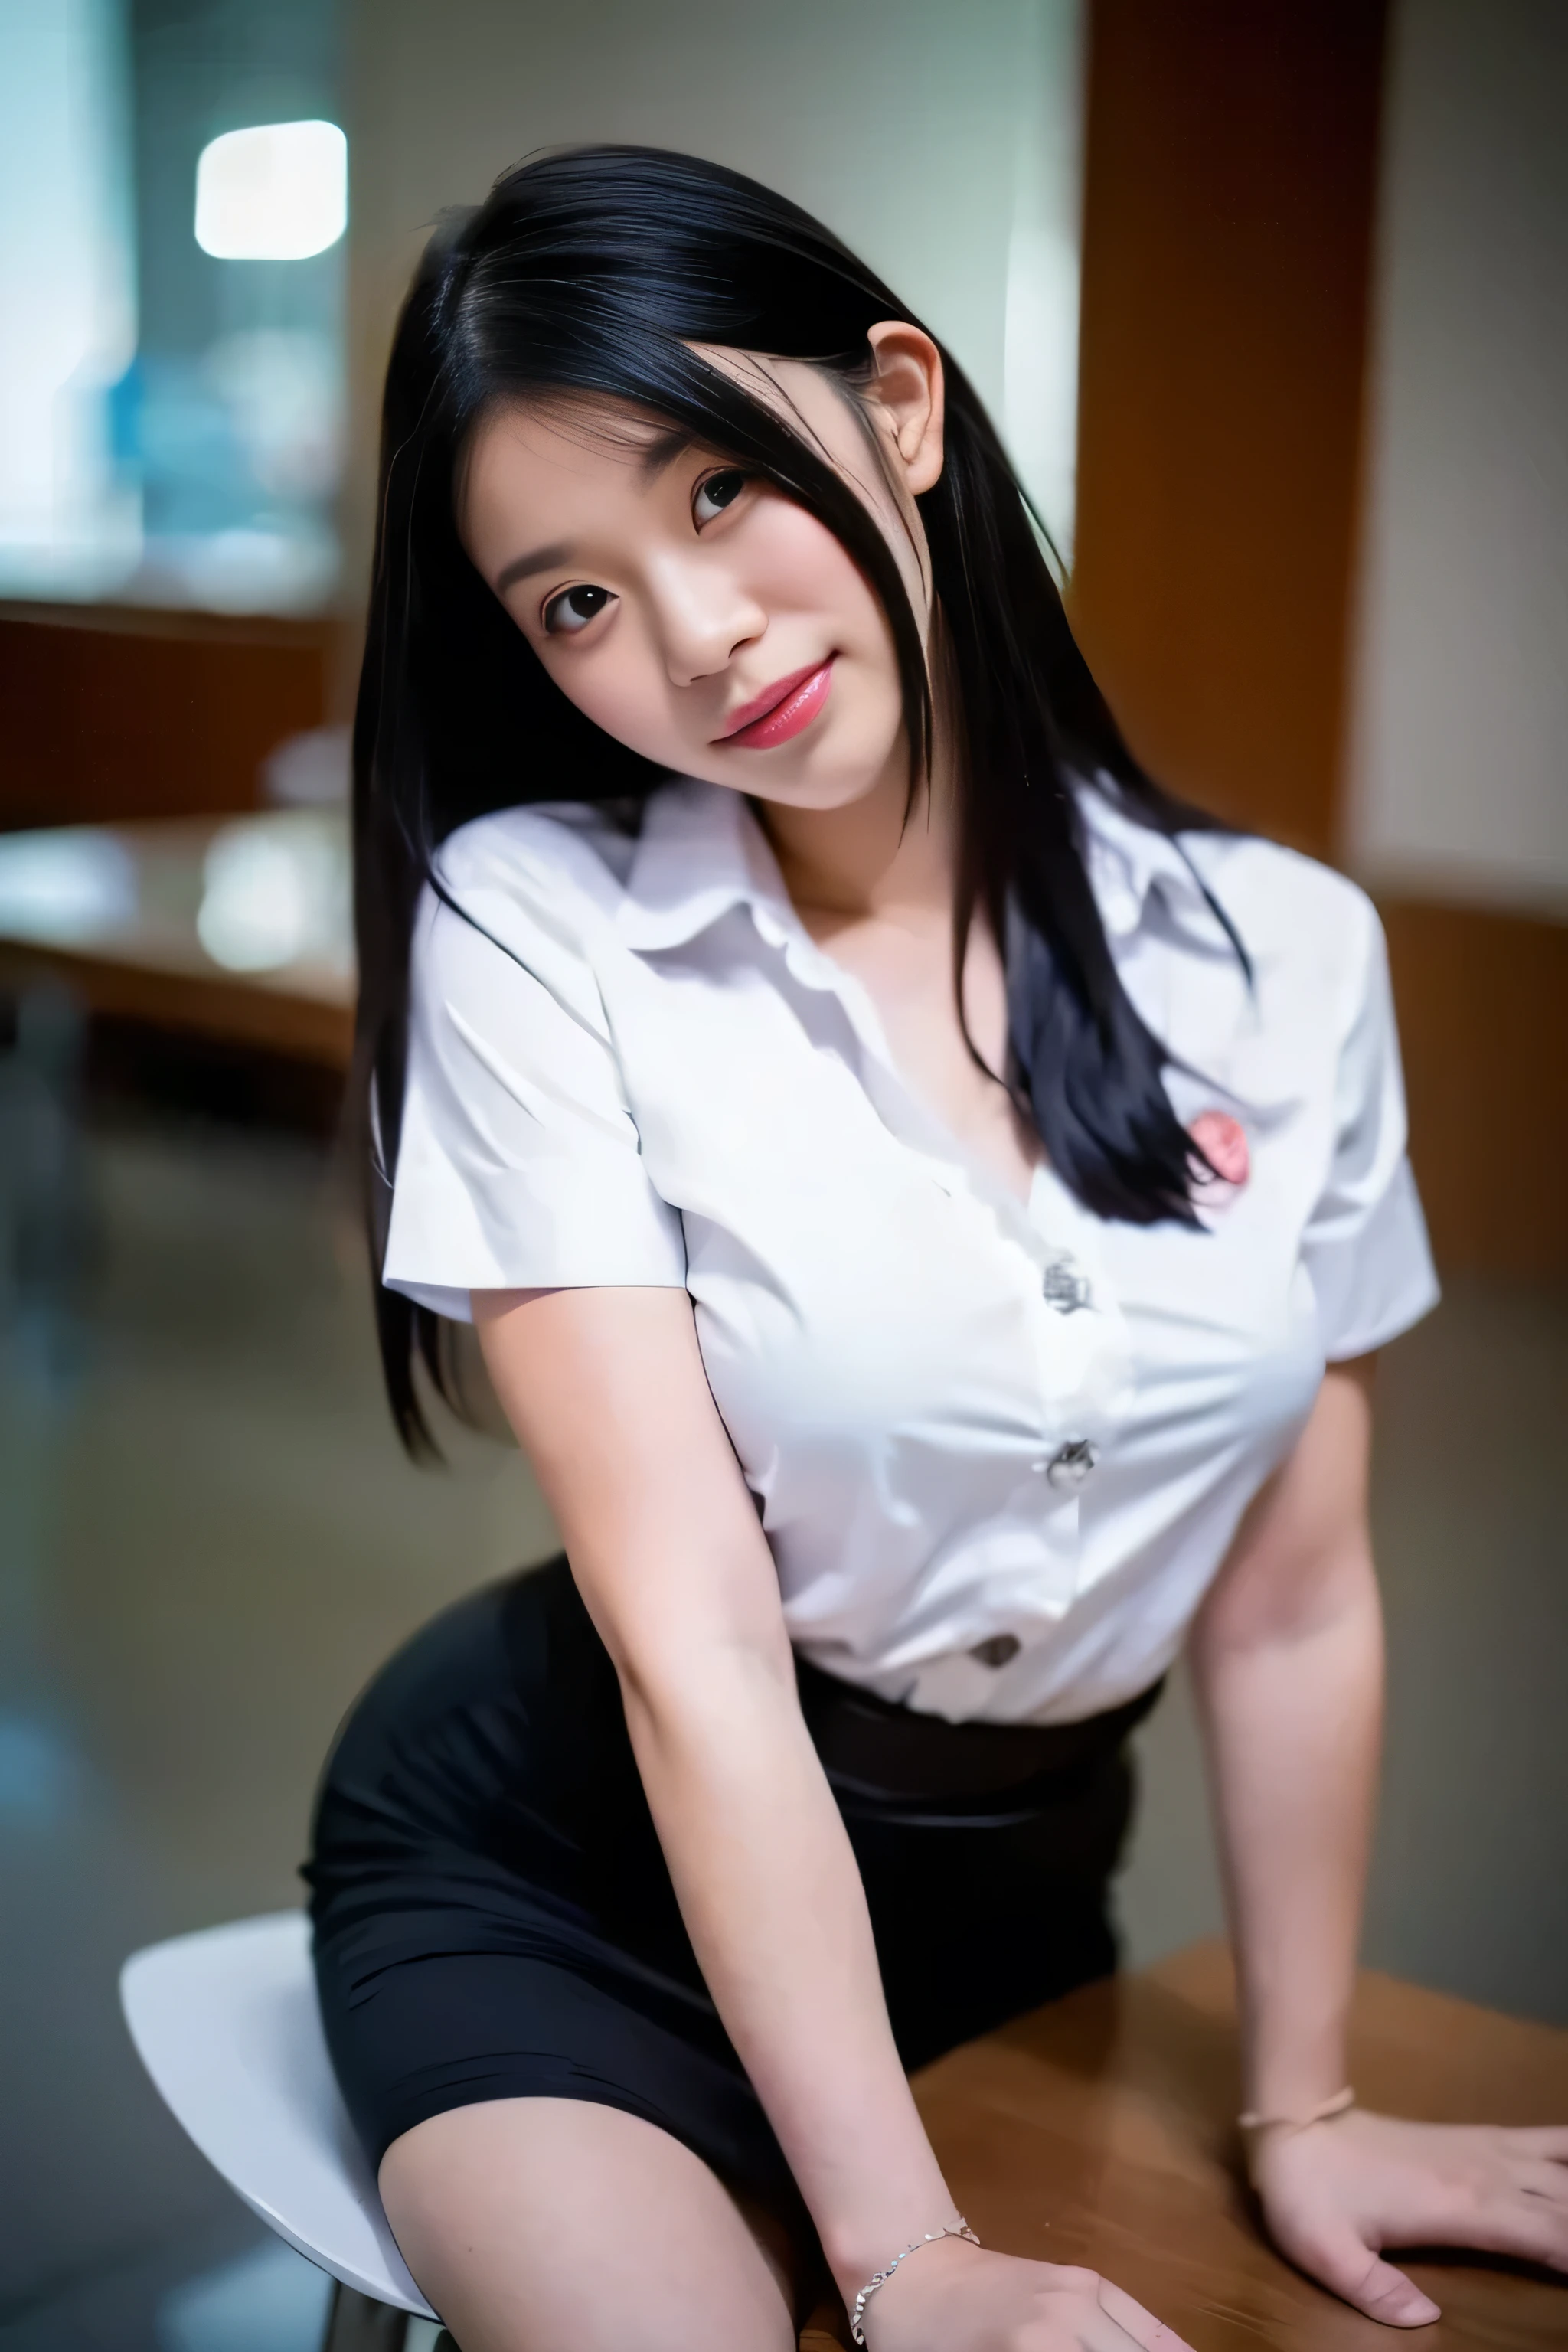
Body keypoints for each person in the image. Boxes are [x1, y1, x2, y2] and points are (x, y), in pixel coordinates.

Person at [305, 145, 1568, 2352]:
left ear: (900, 405)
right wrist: (912, 2261)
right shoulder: (540, 925)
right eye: (574, 601)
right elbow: (694, 1654)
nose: (695, 638)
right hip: (570, 1869)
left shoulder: (1285, 957)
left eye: (715, 488)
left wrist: (1309, 2104)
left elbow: (1289, 1608)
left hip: (1003, 1900)